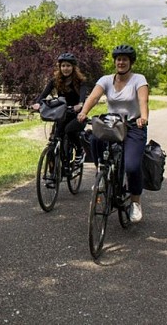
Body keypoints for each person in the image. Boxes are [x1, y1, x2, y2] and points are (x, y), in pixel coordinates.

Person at [77, 45, 149, 222]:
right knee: (94, 137)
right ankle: (101, 172)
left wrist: (144, 117)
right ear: (115, 62)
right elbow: (93, 97)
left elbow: (143, 99)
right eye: (118, 59)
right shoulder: (106, 79)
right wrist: (84, 112)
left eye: (125, 59)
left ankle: (135, 203)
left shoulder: (138, 79)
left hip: (133, 126)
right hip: (112, 124)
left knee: (132, 166)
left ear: (130, 62)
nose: (121, 62)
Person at [31, 52, 89, 164]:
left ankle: (80, 150)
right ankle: (54, 170)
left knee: (69, 130)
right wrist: (37, 103)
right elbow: (44, 94)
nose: (65, 68)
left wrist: (80, 104)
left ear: (73, 67)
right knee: (55, 138)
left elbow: (83, 96)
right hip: (62, 113)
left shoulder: (80, 81)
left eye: (68, 66)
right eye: (63, 66)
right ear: (59, 67)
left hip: (76, 113)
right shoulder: (55, 80)